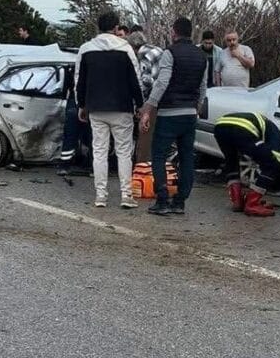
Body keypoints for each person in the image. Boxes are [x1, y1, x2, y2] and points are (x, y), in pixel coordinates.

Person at [76, 11, 144, 209]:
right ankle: (126, 195)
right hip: (121, 107)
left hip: (96, 107)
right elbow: (135, 80)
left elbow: (80, 80)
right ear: (116, 28)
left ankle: (101, 196)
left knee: (99, 151)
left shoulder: (86, 49)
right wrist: (139, 105)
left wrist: (81, 104)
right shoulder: (126, 49)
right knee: (124, 152)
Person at [140, 17, 207, 216]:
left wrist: (149, 107)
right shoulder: (201, 55)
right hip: (189, 114)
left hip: (169, 112)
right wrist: (197, 107)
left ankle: (162, 199)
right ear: (191, 32)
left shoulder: (170, 53)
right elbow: (203, 87)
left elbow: (162, 82)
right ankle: (180, 202)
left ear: (174, 32)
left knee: (159, 154)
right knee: (187, 157)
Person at [214, 112, 280, 217]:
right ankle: (252, 204)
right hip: (242, 127)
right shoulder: (277, 137)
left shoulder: (267, 128)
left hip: (220, 125)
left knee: (231, 161)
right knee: (273, 165)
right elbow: (276, 161)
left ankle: (237, 201)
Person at [128, 30, 164, 163]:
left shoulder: (143, 54)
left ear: (133, 46)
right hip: (165, 99)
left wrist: (140, 105)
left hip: (152, 101)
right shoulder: (158, 50)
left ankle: (142, 170)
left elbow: (146, 81)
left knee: (145, 138)